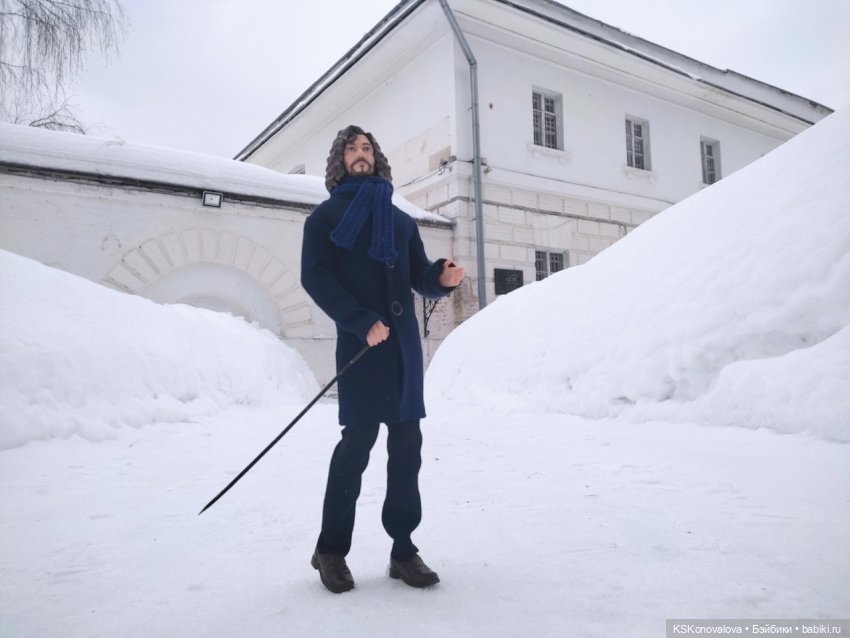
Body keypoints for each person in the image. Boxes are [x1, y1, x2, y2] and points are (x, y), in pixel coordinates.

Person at [300, 125, 464, 593]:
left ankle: (403, 550)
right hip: (361, 348)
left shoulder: (400, 221)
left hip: (403, 353)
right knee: (355, 450)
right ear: (338, 160)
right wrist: (358, 319)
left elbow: (419, 277)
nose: (359, 154)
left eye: (366, 148)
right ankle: (330, 550)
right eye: (351, 149)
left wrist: (442, 278)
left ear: (377, 158)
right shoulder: (325, 219)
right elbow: (315, 277)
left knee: (407, 452)